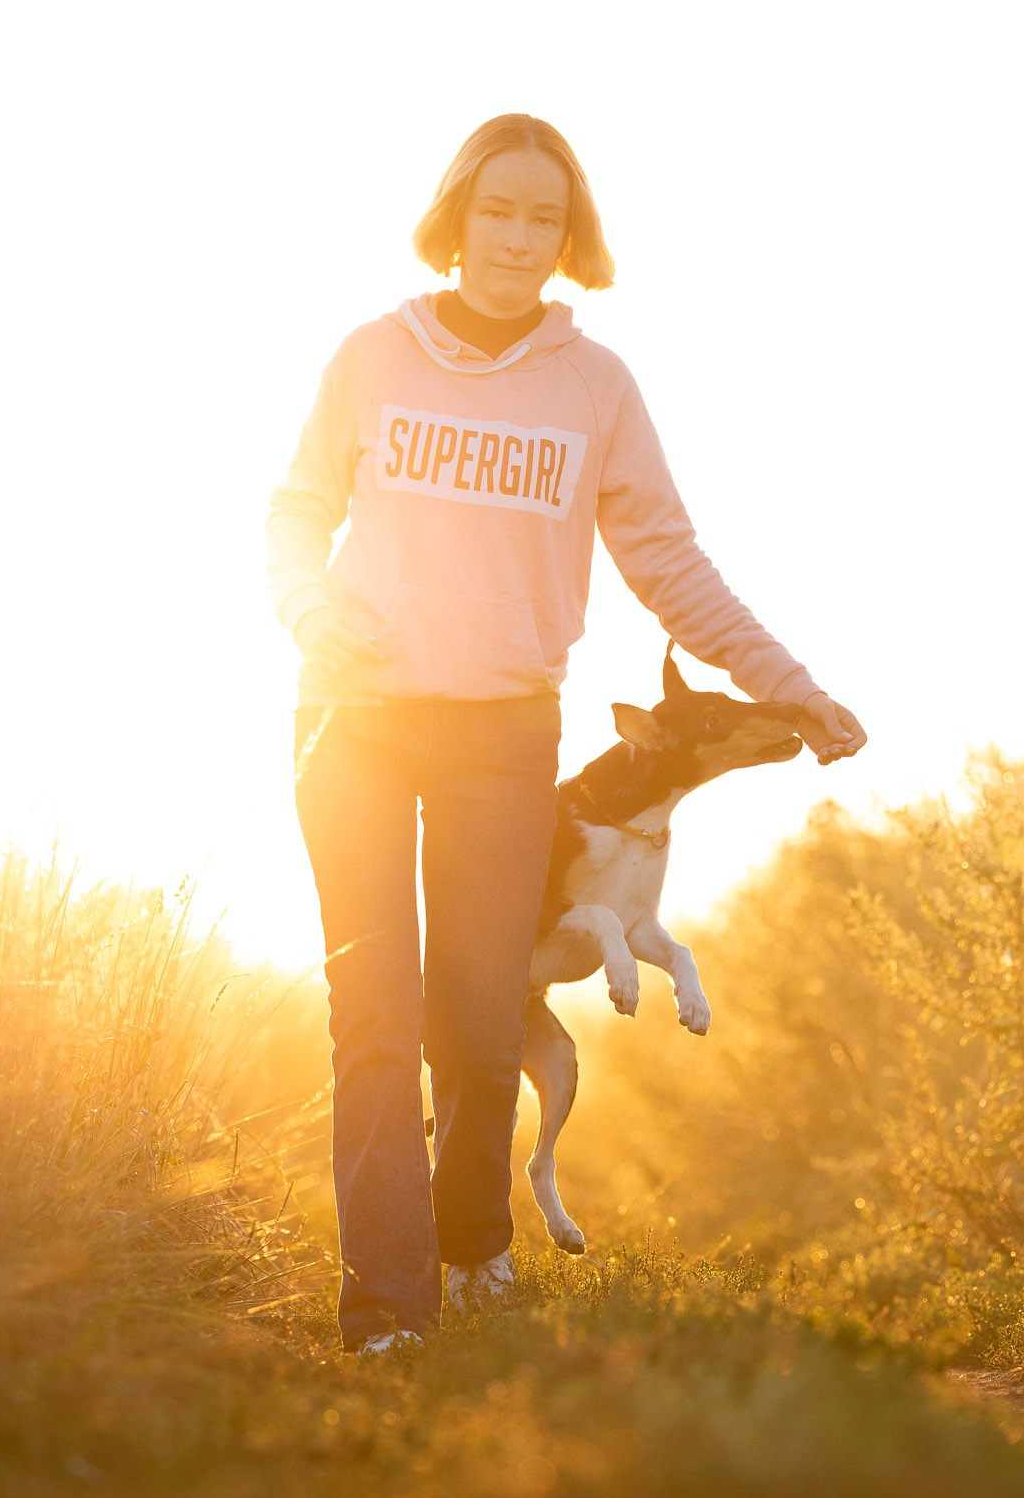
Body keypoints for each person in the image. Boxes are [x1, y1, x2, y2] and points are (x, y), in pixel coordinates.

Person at [266, 114, 864, 1354]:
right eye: (498, 210)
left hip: (501, 732)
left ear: (567, 237)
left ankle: (474, 1246)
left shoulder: (596, 388)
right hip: (356, 722)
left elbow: (670, 565)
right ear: (458, 218)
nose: (517, 237)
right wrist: (312, 610)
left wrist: (791, 686)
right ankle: (387, 1310)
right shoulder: (374, 355)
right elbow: (295, 509)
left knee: (481, 1020)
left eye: (544, 217)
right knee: (375, 1014)